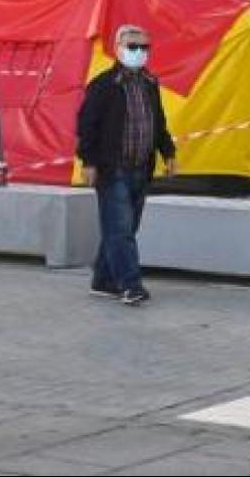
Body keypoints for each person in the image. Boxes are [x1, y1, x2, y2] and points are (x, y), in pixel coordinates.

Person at [77, 25, 176, 306]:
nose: (139, 52)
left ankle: (103, 280)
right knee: (120, 229)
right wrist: (88, 162)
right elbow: (87, 126)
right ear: (118, 48)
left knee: (124, 227)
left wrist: (168, 152)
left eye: (144, 47)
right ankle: (130, 285)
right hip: (113, 168)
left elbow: (158, 122)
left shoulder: (150, 84)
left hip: (141, 167)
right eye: (133, 46)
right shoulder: (103, 85)